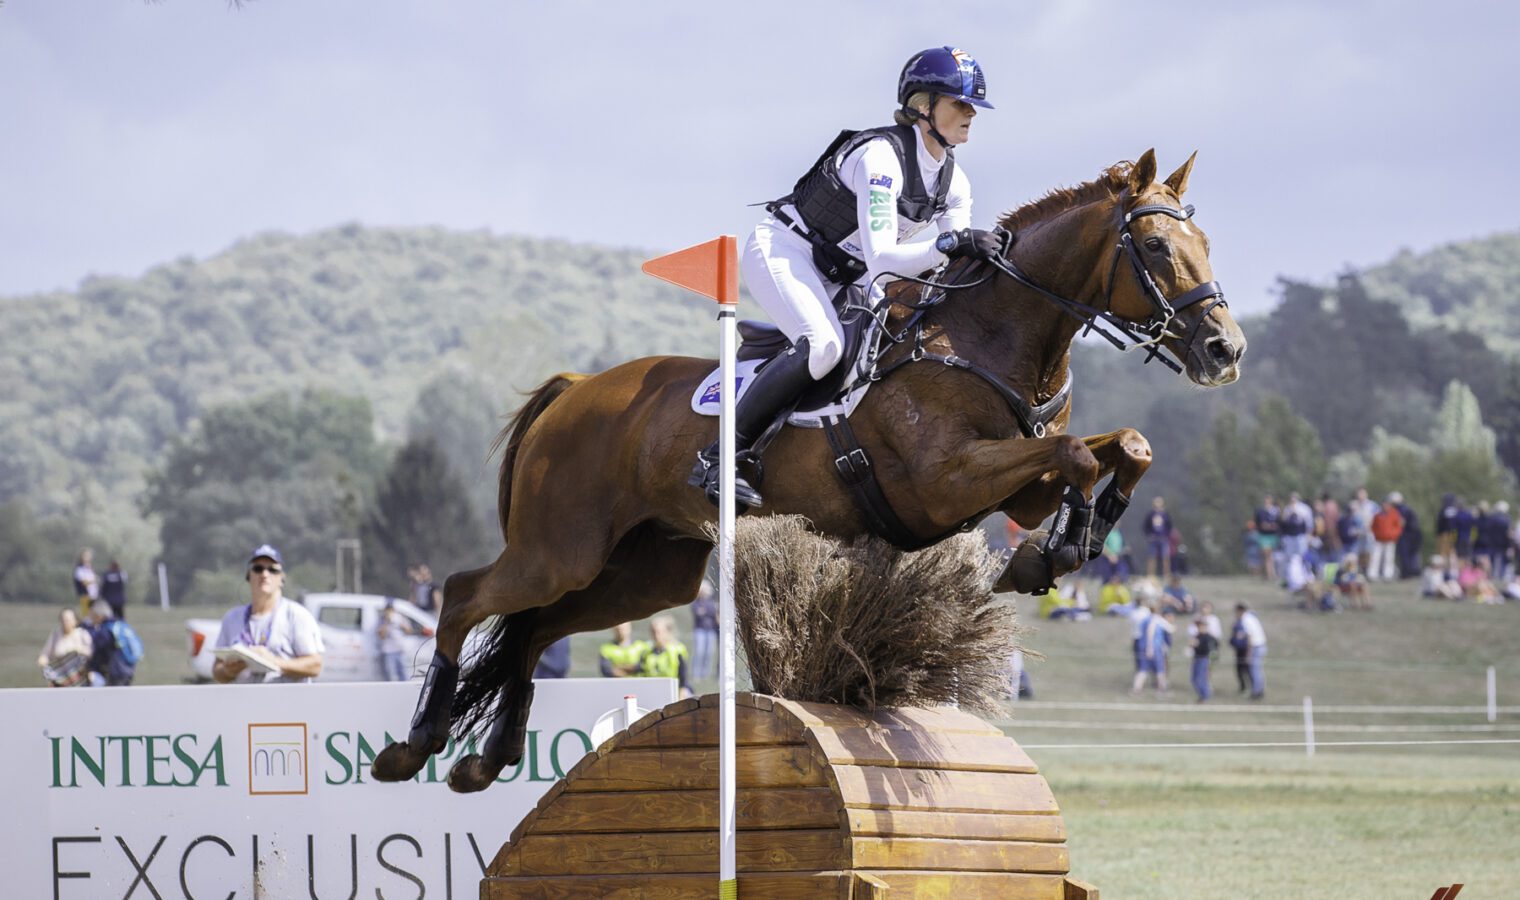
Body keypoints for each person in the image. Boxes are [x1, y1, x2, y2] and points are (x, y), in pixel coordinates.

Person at [688, 46, 999, 509]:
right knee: (824, 347)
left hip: (844, 276)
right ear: (921, 106)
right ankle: (718, 458)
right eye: (959, 102)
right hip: (786, 250)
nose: (970, 113)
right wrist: (952, 244)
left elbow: (948, 265)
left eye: (973, 105)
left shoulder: (956, 183)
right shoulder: (880, 158)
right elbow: (884, 257)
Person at [212, 544, 325, 683]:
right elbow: (217, 670)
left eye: (272, 570)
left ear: (282, 578)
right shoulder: (232, 618)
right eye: (258, 569)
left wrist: (273, 662)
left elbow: (315, 665)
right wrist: (227, 671)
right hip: (246, 703)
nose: (265, 574)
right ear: (248, 576)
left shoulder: (296, 615)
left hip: (286, 702)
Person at [87, 601, 142, 686]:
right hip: (129, 668)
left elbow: (99, 648)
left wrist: (92, 666)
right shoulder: (119, 623)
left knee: (116, 697)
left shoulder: (106, 629)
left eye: (93, 616)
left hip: (118, 670)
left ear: (99, 615)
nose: (92, 619)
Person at [37, 608, 94, 687]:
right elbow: (44, 655)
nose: (65, 622)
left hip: (81, 677)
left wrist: (76, 650)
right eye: (63, 620)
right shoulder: (55, 635)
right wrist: (43, 662)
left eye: (68, 620)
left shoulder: (82, 634)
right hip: (60, 679)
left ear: (75, 621)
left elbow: (90, 653)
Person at [639, 616, 693, 698]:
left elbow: (683, 678)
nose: (656, 635)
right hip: (653, 693)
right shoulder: (647, 653)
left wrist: (680, 698)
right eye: (653, 632)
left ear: (667, 632)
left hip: (674, 692)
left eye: (659, 632)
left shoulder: (677, 650)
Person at [1131, 608, 1174, 694]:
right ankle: (1162, 689)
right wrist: (1150, 647)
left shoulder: (1144, 620)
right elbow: (1152, 631)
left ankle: (1136, 688)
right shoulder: (1156, 620)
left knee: (1143, 669)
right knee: (1160, 670)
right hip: (1154, 648)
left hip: (1143, 647)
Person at [1235, 603, 1267, 700]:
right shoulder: (1251, 617)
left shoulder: (1245, 619)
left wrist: (1248, 653)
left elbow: (1250, 636)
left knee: (1254, 670)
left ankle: (1257, 692)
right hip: (1261, 645)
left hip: (1255, 646)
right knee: (1257, 670)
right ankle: (1259, 690)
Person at [1368, 499, 1404, 581]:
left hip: (1390, 540)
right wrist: (1376, 535)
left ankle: (1387, 575)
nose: (1385, 507)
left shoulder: (1395, 514)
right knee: (1375, 558)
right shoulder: (1377, 515)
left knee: (1388, 558)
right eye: (1383, 505)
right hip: (1379, 540)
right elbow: (1373, 527)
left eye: (1386, 505)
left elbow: (1398, 527)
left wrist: (1393, 535)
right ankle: (1372, 574)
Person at [689, 580, 719, 680]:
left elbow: (711, 611)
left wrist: (705, 611)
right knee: (699, 651)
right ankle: (696, 674)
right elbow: (698, 613)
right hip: (700, 630)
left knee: (709, 652)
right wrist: (707, 611)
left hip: (711, 631)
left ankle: (705, 675)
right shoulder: (696, 602)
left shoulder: (711, 602)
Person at [377, 605, 410, 682]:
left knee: (403, 674)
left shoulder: (399, 618)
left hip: (399, 650)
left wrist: (400, 625)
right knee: (390, 676)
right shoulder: (382, 620)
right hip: (388, 652)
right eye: (387, 610)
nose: (389, 612)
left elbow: (408, 631)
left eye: (391, 610)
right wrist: (387, 622)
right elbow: (381, 636)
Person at [1143, 497, 1173, 579]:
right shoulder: (1150, 514)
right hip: (1153, 539)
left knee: (1165, 557)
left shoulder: (1166, 514)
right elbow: (1145, 526)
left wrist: (1166, 535)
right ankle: (1150, 575)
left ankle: (1167, 574)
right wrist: (1149, 535)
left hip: (1163, 539)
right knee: (1152, 557)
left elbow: (1169, 526)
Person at [1189, 615, 1217, 702]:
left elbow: (1212, 651)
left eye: (1200, 625)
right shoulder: (1197, 636)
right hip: (1197, 659)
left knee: (1202, 679)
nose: (1198, 627)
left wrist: (1211, 663)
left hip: (1204, 659)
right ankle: (1202, 696)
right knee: (1194, 679)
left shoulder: (1209, 638)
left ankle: (1205, 696)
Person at [1253, 495, 1280, 581]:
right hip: (1264, 536)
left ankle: (1272, 573)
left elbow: (1279, 522)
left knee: (1271, 556)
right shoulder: (1260, 511)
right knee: (1267, 555)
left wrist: (1273, 526)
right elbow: (1259, 523)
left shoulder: (1275, 511)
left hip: (1273, 535)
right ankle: (1269, 574)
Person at [73, 549, 98, 619]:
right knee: (86, 615)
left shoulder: (90, 568)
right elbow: (84, 583)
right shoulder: (79, 569)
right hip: (85, 595)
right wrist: (93, 580)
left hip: (93, 595)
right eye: (86, 556)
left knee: (93, 614)